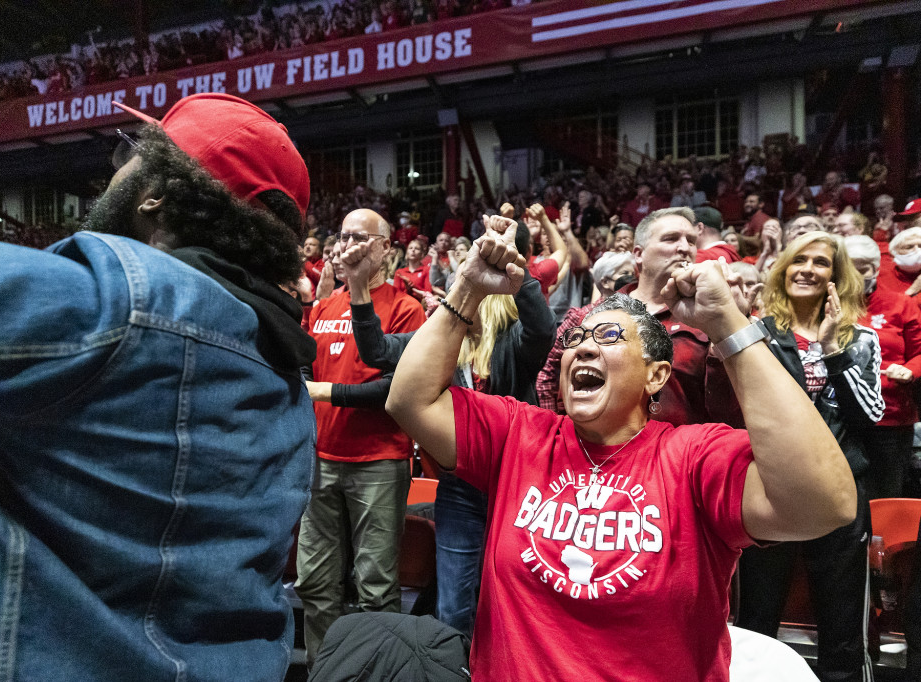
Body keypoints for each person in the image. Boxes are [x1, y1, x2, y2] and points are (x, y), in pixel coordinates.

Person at [0, 93, 317, 681]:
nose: (115, 166)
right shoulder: (287, 386)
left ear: (155, 194)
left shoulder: (115, 300)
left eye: (131, 153)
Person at [384, 215, 857, 681]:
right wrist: (467, 287)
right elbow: (409, 399)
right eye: (575, 339)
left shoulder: (695, 457)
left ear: (656, 375)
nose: (583, 349)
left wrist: (728, 324)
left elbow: (823, 504)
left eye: (609, 337)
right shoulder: (520, 434)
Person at [343, 220, 555, 639]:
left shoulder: (512, 342)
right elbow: (376, 351)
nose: (455, 296)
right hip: (459, 489)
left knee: (515, 599)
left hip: (518, 485)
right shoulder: (436, 343)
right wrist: (357, 288)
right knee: (455, 607)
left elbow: (543, 331)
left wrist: (518, 272)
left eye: (469, 286)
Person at [735, 231, 884, 682]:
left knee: (841, 620)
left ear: (836, 279)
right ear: (783, 270)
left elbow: (870, 414)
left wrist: (833, 349)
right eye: (800, 259)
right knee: (756, 614)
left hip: (840, 487)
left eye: (821, 263)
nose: (808, 269)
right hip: (771, 485)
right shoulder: (758, 333)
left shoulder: (860, 339)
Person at [298, 209, 426, 667]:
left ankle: (373, 674)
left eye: (359, 237)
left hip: (377, 460)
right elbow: (303, 370)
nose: (346, 245)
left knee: (375, 588)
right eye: (343, 236)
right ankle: (326, 672)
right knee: (314, 583)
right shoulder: (323, 307)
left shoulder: (406, 308)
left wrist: (325, 392)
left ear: (384, 249)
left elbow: (394, 388)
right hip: (322, 460)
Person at [538, 208, 740, 429]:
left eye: (691, 241)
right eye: (671, 239)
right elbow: (548, 375)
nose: (684, 248)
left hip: (677, 457)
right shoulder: (590, 315)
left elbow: (729, 407)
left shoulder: (706, 319)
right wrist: (560, 431)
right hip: (595, 456)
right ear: (638, 254)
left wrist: (731, 324)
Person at [845, 235, 921, 499]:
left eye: (863, 266)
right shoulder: (828, 306)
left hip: (890, 417)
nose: (856, 273)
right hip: (843, 420)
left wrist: (910, 370)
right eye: (849, 266)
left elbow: (920, 352)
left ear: (877, 268)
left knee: (886, 494)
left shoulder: (901, 304)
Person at [392, 236, 430, 301]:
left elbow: (428, 293)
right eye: (410, 248)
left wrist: (412, 286)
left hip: (420, 304)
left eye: (417, 248)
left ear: (422, 254)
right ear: (407, 253)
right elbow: (395, 294)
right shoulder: (400, 272)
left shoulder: (426, 270)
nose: (413, 250)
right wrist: (408, 290)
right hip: (403, 303)